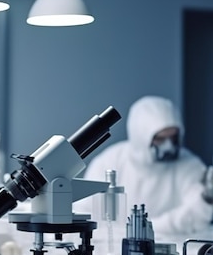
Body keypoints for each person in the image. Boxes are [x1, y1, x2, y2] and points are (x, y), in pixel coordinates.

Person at [77, 95, 213, 235]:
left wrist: (207, 197)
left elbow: (196, 216)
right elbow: (84, 211)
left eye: (173, 138)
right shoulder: (109, 162)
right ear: (141, 137)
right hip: (111, 250)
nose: (169, 146)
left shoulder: (189, 165)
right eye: (160, 139)